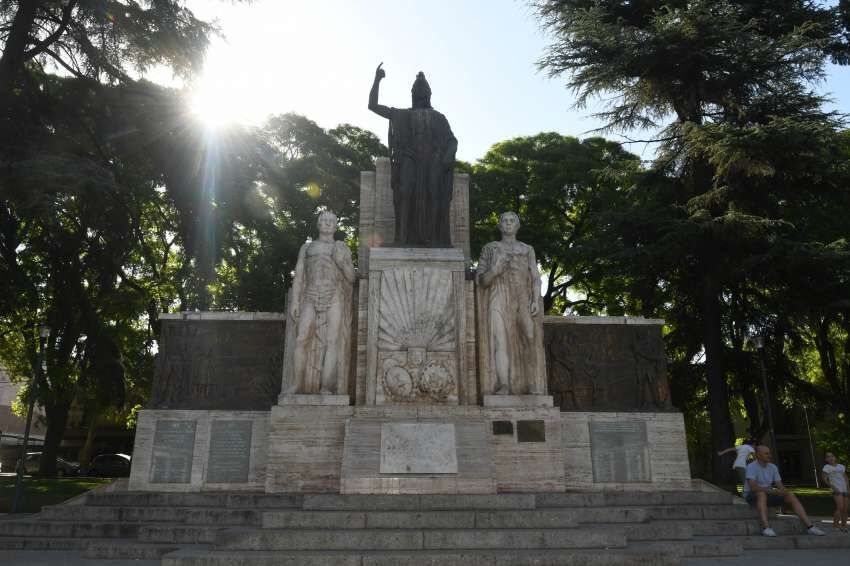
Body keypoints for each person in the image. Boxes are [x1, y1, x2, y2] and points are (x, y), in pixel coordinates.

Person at [368, 63, 458, 247]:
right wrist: (377, 80)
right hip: (409, 157)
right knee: (404, 192)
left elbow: (452, 140)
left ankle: (433, 238)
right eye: (417, 89)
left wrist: (447, 156)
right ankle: (401, 238)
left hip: (433, 161)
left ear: (429, 94)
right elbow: (373, 106)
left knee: (435, 194)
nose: (420, 92)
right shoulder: (402, 114)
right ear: (412, 93)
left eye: (423, 90)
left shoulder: (438, 117)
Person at [287, 211, 356, 395]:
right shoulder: (307, 247)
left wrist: (341, 262)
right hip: (310, 294)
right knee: (301, 338)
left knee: (332, 341)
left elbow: (351, 277)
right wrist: (295, 300)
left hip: (333, 295)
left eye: (331, 221)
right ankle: (297, 384)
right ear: (318, 224)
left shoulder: (341, 247)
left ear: (335, 226)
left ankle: (327, 386)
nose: (327, 223)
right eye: (323, 220)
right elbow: (299, 275)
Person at [477, 211, 543, 395]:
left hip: (522, 296)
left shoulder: (527, 249)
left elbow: (536, 277)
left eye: (512, 220)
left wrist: (536, 299)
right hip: (498, 294)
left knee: (530, 337)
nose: (508, 223)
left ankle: (532, 383)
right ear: (499, 225)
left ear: (517, 225)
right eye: (504, 220)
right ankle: (504, 385)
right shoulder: (490, 248)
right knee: (500, 340)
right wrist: (495, 270)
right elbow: (481, 280)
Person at [744, 445, 825, 537]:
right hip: (752, 496)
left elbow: (780, 485)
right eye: (766, 454)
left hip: (767, 494)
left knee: (790, 494)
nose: (769, 455)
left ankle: (810, 527)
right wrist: (772, 491)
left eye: (769, 453)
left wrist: (783, 491)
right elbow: (753, 487)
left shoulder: (773, 467)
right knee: (761, 494)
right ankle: (766, 528)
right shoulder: (751, 467)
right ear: (758, 455)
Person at [821, 451, 849, 532]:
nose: (831, 458)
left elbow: (846, 478)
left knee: (846, 509)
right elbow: (824, 479)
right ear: (826, 459)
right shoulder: (827, 467)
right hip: (836, 490)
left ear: (835, 457)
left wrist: (848, 489)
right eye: (828, 456)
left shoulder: (841, 466)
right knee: (840, 508)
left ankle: (844, 526)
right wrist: (833, 487)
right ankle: (835, 526)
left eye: (832, 456)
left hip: (845, 489)